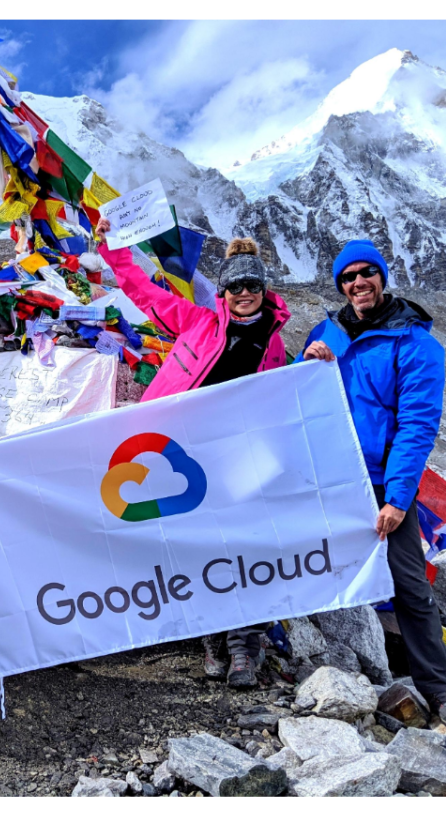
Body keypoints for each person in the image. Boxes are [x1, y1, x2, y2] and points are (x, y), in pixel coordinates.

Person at [96, 219, 290, 687]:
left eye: (252, 284)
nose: (244, 292)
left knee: (242, 544)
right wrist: (111, 246)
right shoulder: (197, 322)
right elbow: (141, 291)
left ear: (263, 289)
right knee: (193, 544)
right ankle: (210, 637)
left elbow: (284, 399)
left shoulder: (276, 344)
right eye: (235, 285)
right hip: (179, 452)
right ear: (222, 291)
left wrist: (320, 362)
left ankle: (244, 647)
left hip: (237, 455)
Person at [300, 240, 446, 727]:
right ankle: (312, 667)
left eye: (367, 273)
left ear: (382, 277)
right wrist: (304, 365)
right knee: (300, 564)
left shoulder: (416, 343)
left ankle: (439, 689)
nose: (358, 282)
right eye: (349, 276)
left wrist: (398, 499)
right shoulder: (327, 333)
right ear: (341, 285)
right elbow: (295, 401)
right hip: (329, 480)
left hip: (380, 484)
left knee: (409, 584)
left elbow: (417, 425)